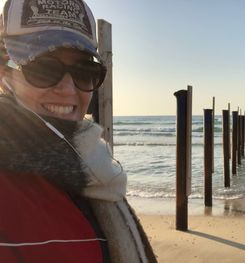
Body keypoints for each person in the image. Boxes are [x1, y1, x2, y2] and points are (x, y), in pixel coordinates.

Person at [0, 0, 157, 262]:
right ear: (5, 73)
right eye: (43, 68)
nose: (69, 90)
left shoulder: (92, 167)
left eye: (85, 71)